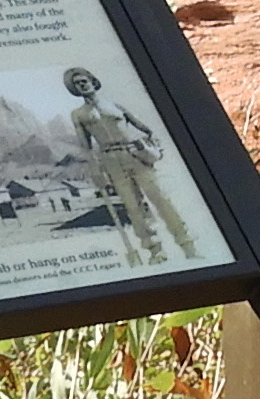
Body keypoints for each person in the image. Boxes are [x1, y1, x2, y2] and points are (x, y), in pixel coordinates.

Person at [61, 64, 180, 262]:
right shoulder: (79, 114)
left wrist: (151, 147)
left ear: (92, 81)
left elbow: (145, 128)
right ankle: (154, 250)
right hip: (110, 158)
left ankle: (184, 239)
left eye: (84, 81)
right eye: (76, 84)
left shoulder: (115, 106)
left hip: (132, 152)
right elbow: (86, 147)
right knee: (133, 206)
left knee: (159, 197)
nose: (81, 85)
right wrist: (95, 169)